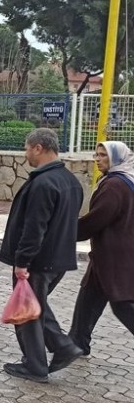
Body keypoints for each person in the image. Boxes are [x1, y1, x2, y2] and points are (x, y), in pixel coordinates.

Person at [0, 128, 85, 383]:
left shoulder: (43, 183)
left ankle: (43, 360)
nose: (25, 154)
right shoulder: (70, 181)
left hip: (38, 260)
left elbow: (34, 228)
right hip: (58, 259)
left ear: (38, 148)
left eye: (27, 148)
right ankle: (48, 354)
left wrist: (22, 261)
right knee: (35, 307)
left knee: (28, 312)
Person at [68, 141, 134, 360]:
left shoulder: (115, 185)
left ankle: (77, 342)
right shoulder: (124, 180)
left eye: (103, 155)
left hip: (115, 255)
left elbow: (97, 219)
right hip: (108, 253)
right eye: (96, 154)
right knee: (89, 296)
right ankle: (77, 343)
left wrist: (66, 230)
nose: (97, 159)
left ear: (116, 158)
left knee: (122, 304)